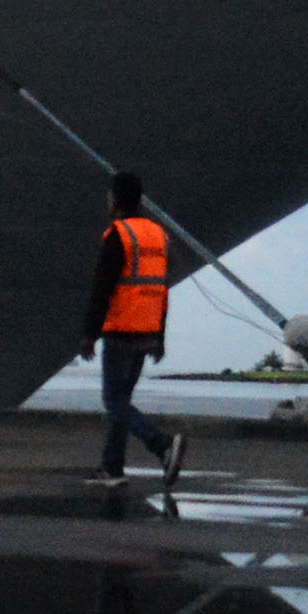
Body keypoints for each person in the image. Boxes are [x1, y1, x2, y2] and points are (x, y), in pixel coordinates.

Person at [80, 173, 183, 488]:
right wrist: (160, 338)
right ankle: (112, 469)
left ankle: (162, 445)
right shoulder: (158, 236)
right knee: (121, 401)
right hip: (147, 331)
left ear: (115, 199)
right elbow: (161, 289)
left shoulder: (119, 235)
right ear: (139, 200)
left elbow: (103, 287)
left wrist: (89, 332)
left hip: (121, 328)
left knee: (113, 401)